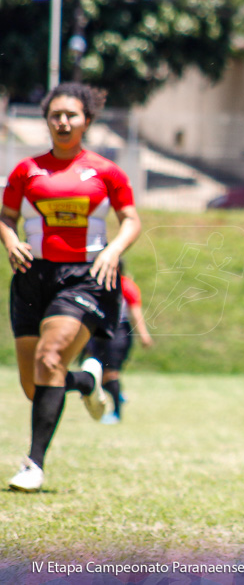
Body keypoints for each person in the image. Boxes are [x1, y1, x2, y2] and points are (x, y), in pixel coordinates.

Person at [2, 82, 141, 492]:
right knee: (35, 385)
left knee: (50, 358)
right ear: (46, 121)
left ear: (87, 120)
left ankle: (33, 464)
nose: (63, 122)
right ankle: (85, 382)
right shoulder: (26, 171)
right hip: (33, 276)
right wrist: (11, 241)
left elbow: (131, 219)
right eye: (55, 115)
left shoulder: (106, 171)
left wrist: (113, 251)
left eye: (71, 115)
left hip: (86, 276)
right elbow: (6, 217)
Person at [81, 260, 154, 424]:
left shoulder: (126, 286)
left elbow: (135, 312)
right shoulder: (95, 284)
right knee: (94, 369)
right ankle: (116, 393)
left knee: (110, 373)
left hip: (118, 332)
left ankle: (117, 413)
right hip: (97, 331)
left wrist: (144, 335)